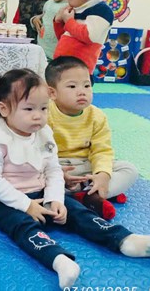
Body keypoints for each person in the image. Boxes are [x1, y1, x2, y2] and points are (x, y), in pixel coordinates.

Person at [0, 68, 150, 290]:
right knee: (21, 224)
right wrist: (26, 205)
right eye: (29, 109)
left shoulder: (43, 133)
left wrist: (55, 199)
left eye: (43, 108)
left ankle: (124, 240)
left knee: (77, 211)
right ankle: (59, 260)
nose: (38, 115)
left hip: (37, 188)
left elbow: (53, 170)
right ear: (4, 109)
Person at [46, 56, 138, 219]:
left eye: (87, 85)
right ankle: (94, 194)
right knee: (32, 179)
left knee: (128, 169)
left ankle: (90, 191)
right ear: (52, 93)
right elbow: (39, 150)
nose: (82, 91)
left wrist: (102, 174)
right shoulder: (45, 113)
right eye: (72, 86)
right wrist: (57, 173)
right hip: (57, 167)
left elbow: (101, 150)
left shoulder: (97, 116)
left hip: (86, 166)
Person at [53, 0, 114, 73]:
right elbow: (62, 37)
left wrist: (69, 21)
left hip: (80, 72)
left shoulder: (102, 11)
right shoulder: (78, 7)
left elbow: (89, 36)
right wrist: (58, 21)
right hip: (62, 67)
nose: (67, 0)